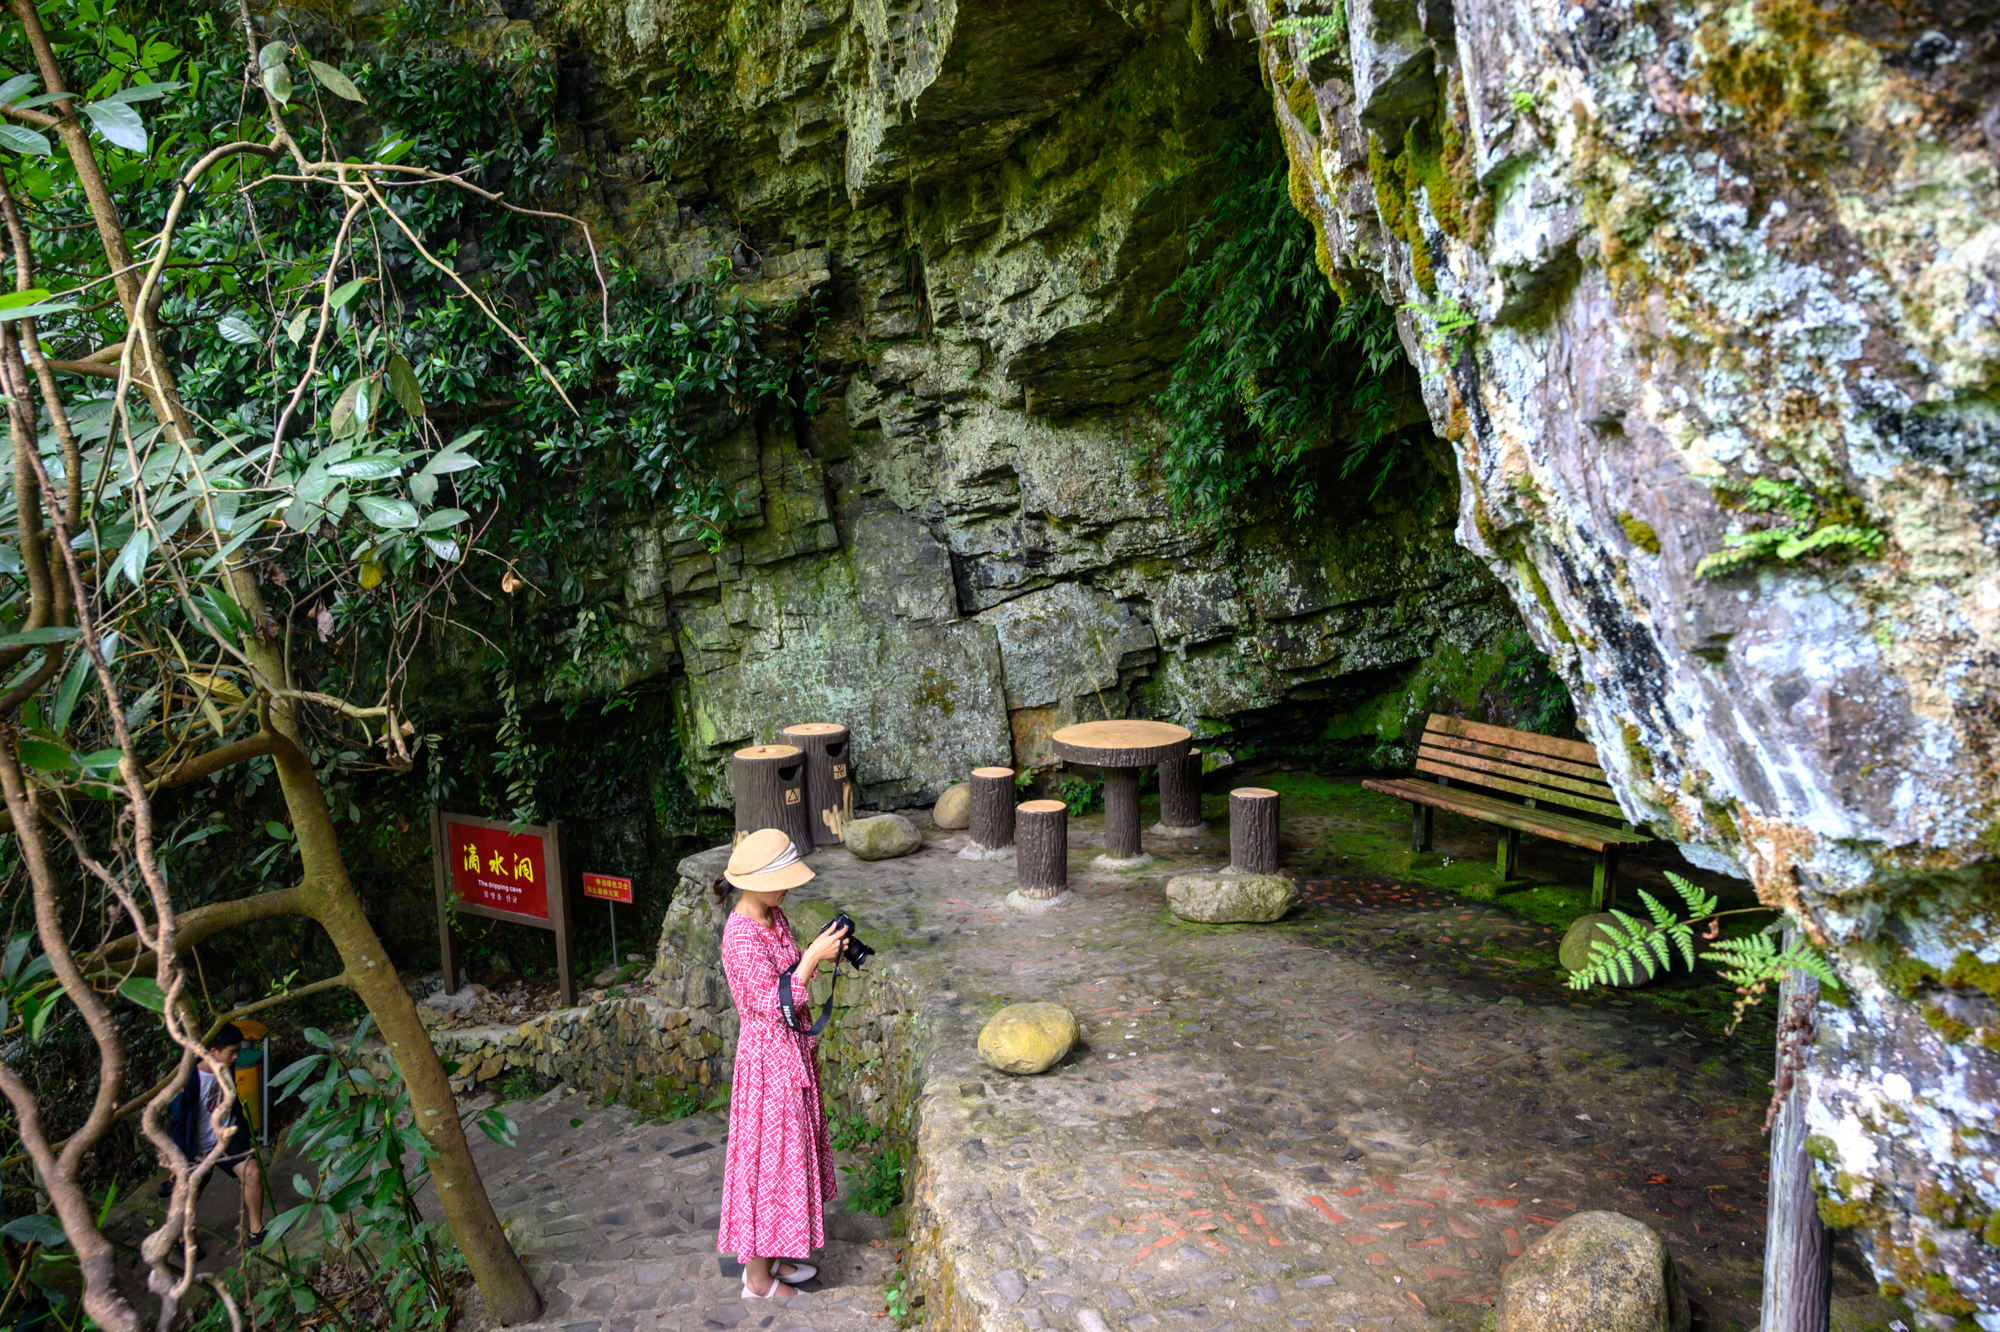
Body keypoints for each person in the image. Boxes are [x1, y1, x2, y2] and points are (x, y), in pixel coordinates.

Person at [713, 829, 851, 1302]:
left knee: (787, 1155)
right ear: (754, 882)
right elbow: (776, 1002)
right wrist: (812, 958)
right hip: (767, 1063)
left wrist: (813, 954)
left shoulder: (773, 915)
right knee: (768, 1164)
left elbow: (789, 973)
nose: (787, 888)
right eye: (781, 880)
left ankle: (772, 1257)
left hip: (788, 1055)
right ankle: (756, 1280)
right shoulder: (740, 935)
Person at [167, 1022, 266, 1247]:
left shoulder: (227, 1065)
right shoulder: (188, 1079)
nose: (236, 1057)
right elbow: (178, 1122)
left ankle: (256, 1230)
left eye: (237, 1051)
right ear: (213, 1052)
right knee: (191, 1195)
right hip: (200, 1145)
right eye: (232, 1052)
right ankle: (182, 1240)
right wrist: (176, 1160)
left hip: (227, 1136)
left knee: (253, 1173)